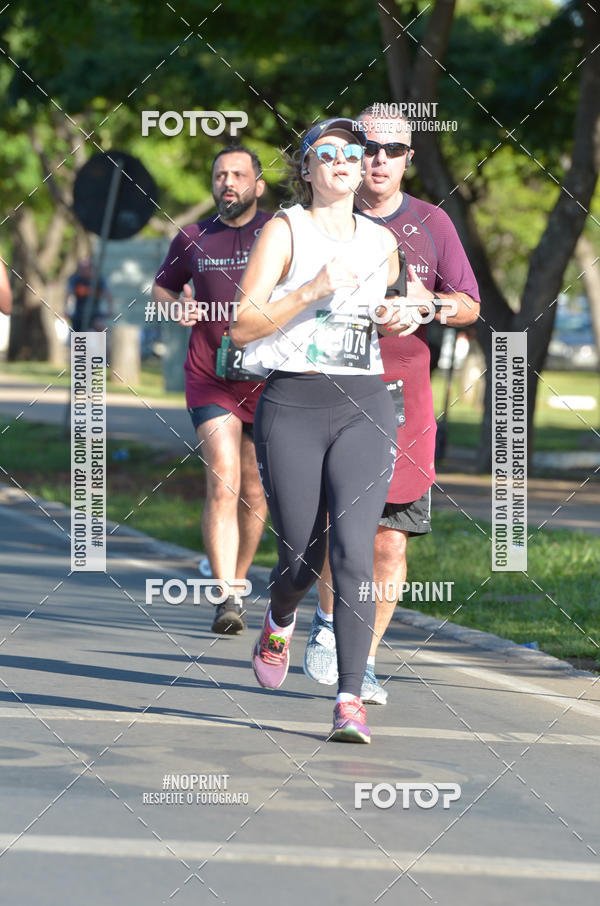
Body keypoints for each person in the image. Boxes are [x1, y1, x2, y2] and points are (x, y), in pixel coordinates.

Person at [230, 118, 402, 744]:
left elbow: (386, 314)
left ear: (361, 170)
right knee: (303, 556)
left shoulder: (382, 240)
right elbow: (243, 327)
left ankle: (349, 698)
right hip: (292, 403)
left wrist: (397, 315)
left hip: (364, 403)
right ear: (306, 169)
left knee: (355, 553)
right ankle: (279, 614)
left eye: (352, 155)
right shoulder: (285, 230)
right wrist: (310, 289)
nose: (342, 162)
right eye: (325, 154)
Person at [303, 106, 481, 702]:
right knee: (335, 529)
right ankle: (328, 626)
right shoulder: (316, 220)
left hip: (404, 398)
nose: (378, 160)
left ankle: (367, 659)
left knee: (387, 539)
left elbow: (469, 304)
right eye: (365, 149)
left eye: (393, 150)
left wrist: (427, 307)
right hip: (326, 388)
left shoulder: (432, 223)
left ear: (409, 157)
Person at [152, 146, 270, 635]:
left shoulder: (280, 231)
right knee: (223, 477)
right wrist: (175, 309)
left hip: (268, 375)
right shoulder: (193, 237)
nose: (229, 182)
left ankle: (238, 582)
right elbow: (161, 290)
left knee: (256, 489)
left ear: (258, 185)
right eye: (221, 174)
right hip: (211, 373)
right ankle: (225, 595)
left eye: (239, 175)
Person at [66, 258, 112, 331]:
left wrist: (110, 309)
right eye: (80, 269)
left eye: (85, 269)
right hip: (79, 314)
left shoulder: (99, 280)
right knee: (77, 333)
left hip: (95, 313)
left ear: (91, 269)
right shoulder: (75, 279)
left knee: (101, 327)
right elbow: (69, 294)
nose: (82, 272)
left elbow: (108, 295)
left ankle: (102, 341)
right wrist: (67, 310)